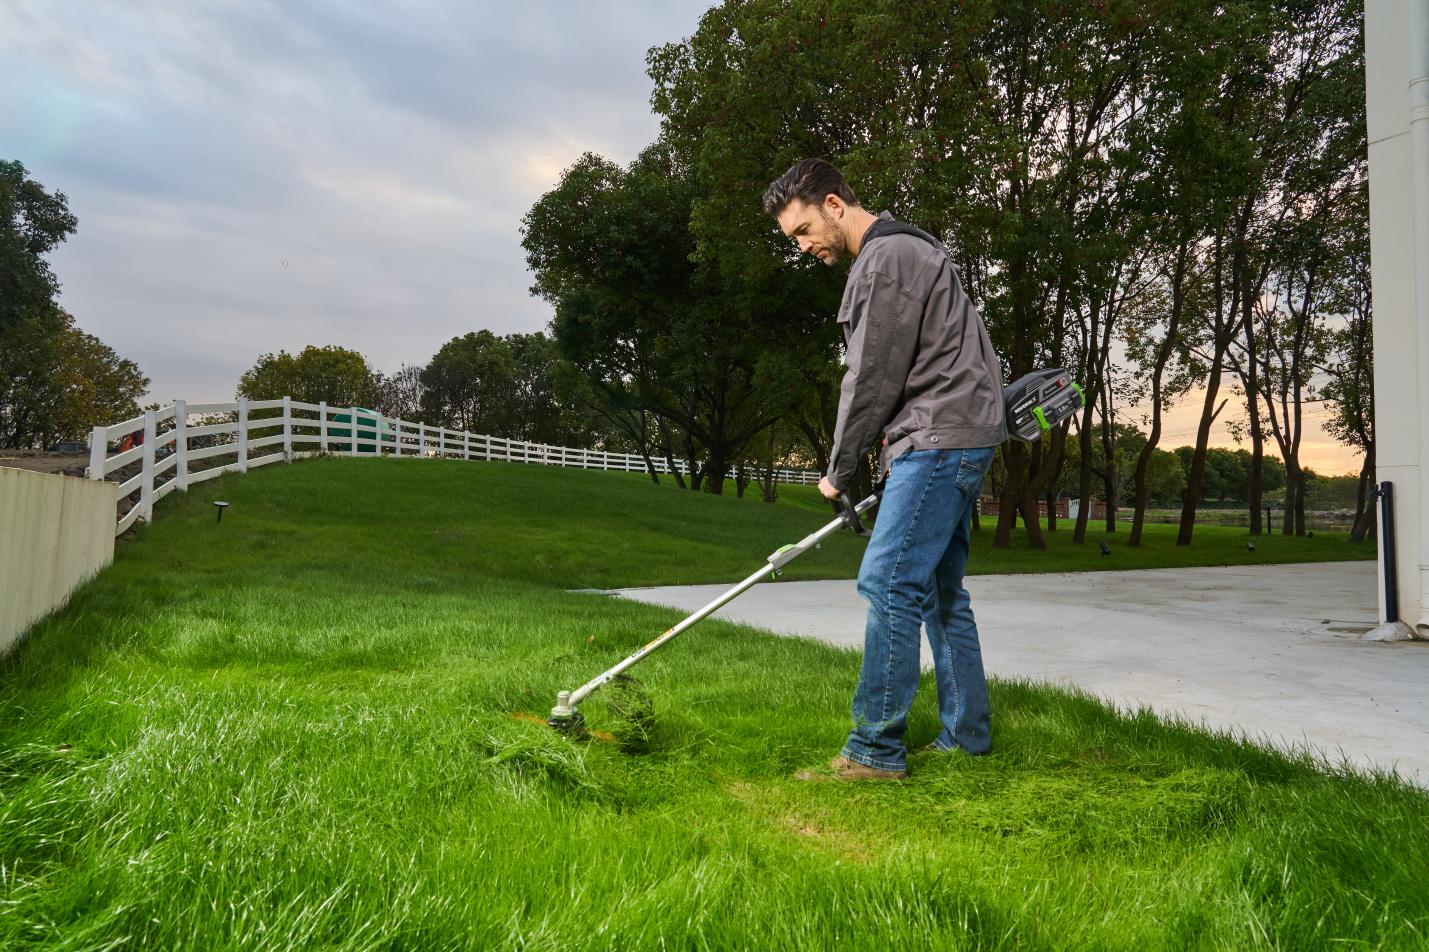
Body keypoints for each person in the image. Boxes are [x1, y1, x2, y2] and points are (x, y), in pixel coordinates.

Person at [762, 159, 1006, 781]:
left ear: (835, 206)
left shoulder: (885, 259)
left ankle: (874, 752)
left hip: (939, 440)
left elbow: (871, 375)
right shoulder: (916, 250)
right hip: (959, 436)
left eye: (802, 231)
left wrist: (839, 469)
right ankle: (966, 737)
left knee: (888, 583)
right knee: (939, 593)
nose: (804, 246)